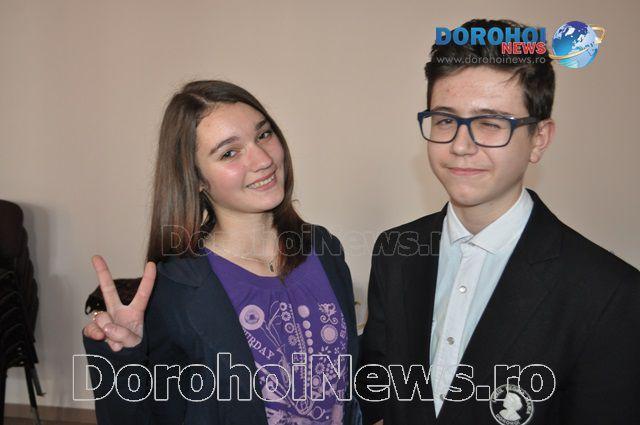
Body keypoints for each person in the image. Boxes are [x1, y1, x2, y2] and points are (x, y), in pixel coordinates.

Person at [358, 19, 640, 425]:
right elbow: (378, 388)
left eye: (490, 124)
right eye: (445, 120)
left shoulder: (608, 293)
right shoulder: (395, 250)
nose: (460, 145)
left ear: (539, 139)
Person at [82, 80, 360, 425]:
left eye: (263, 135)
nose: (263, 160)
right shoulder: (177, 288)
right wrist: (125, 359)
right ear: (196, 179)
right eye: (229, 153)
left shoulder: (324, 249)